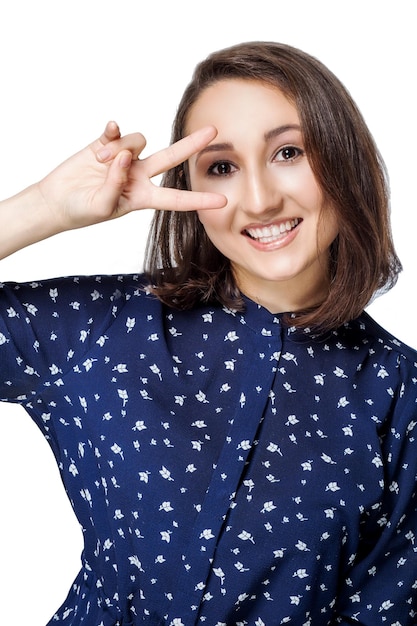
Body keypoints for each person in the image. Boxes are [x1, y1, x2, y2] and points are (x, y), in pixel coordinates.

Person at [0, 41, 416, 626]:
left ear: (344, 160)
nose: (260, 199)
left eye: (289, 152)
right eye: (221, 166)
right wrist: (43, 207)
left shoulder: (401, 395)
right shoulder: (99, 329)